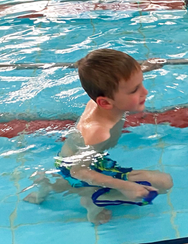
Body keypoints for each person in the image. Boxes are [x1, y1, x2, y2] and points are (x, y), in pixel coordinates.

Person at [24, 49, 173, 224]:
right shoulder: (98, 131)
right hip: (76, 169)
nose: (145, 92)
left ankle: (45, 187)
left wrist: (144, 68)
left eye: (141, 83)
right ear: (106, 102)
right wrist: (126, 187)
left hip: (90, 160)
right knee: (161, 184)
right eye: (135, 90)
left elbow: (119, 83)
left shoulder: (103, 99)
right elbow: (77, 171)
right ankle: (92, 204)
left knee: (161, 182)